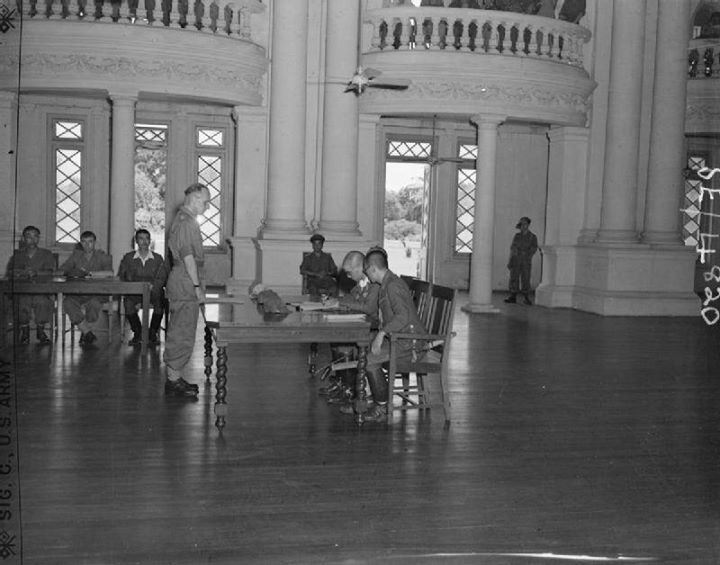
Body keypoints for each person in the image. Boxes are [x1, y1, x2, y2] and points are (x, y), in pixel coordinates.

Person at [356, 246, 426, 423]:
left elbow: (403, 317)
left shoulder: (392, 286)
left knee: (370, 359)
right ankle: (373, 397)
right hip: (400, 339)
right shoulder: (387, 284)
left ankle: (382, 406)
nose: (367, 276)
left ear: (373, 268)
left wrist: (381, 334)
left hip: (410, 344)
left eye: (366, 271)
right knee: (366, 351)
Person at [163, 183, 210, 398]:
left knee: (185, 330)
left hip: (185, 279)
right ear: (194, 198)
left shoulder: (188, 221)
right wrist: (197, 287)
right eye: (206, 201)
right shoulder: (185, 222)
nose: (207, 206)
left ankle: (175, 377)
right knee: (181, 331)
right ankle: (173, 382)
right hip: (185, 281)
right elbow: (188, 258)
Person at [322, 251, 380, 406]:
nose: (347, 276)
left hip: (376, 330)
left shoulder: (375, 283)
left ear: (361, 268)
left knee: (344, 343)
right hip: (364, 326)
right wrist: (336, 301)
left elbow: (369, 308)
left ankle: (351, 391)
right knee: (337, 341)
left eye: (349, 272)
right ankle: (344, 385)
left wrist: (342, 304)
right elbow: (351, 297)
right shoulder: (362, 282)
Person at [117, 229, 168, 346]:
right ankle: (138, 332)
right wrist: (134, 286)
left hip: (153, 292)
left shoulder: (158, 258)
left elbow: (162, 277)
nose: (144, 241)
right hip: (134, 292)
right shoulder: (128, 258)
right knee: (128, 303)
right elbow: (122, 276)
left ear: (150, 241)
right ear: (136, 241)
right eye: (141, 238)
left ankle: (152, 333)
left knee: (160, 302)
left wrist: (153, 287)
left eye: (147, 238)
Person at [5, 225, 56, 344]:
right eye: (28, 236)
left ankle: (40, 330)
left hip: (41, 290)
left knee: (42, 302)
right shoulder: (17, 255)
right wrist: (21, 273)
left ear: (39, 238)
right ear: (23, 239)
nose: (32, 239)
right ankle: (25, 330)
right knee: (22, 302)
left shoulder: (46, 254)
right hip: (23, 290)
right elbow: (11, 272)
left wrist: (36, 272)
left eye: (35, 236)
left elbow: (50, 271)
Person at [60, 230, 113, 345]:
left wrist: (88, 274)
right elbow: (63, 269)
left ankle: (85, 332)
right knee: (68, 302)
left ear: (95, 243)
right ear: (80, 243)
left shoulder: (102, 256)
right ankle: (87, 332)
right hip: (79, 292)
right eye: (84, 242)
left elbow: (110, 273)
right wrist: (72, 271)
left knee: (93, 304)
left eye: (90, 242)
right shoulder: (76, 256)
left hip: (97, 292)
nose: (87, 245)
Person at [505, 216, 538, 305]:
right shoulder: (517, 236)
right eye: (521, 224)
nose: (523, 226)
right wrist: (511, 260)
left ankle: (526, 297)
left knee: (526, 278)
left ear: (528, 225)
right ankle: (513, 295)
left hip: (525, 261)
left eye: (525, 224)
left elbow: (534, 248)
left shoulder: (532, 237)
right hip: (516, 259)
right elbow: (513, 248)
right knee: (514, 277)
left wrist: (526, 254)